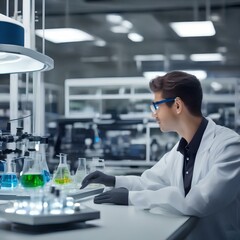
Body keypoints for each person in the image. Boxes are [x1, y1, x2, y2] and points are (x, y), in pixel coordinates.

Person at [81, 71, 240, 239]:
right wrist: (113, 180)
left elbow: (200, 201)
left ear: (177, 106)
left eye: (157, 105)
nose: (153, 114)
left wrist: (131, 197)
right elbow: (149, 182)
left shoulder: (229, 146)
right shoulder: (180, 149)